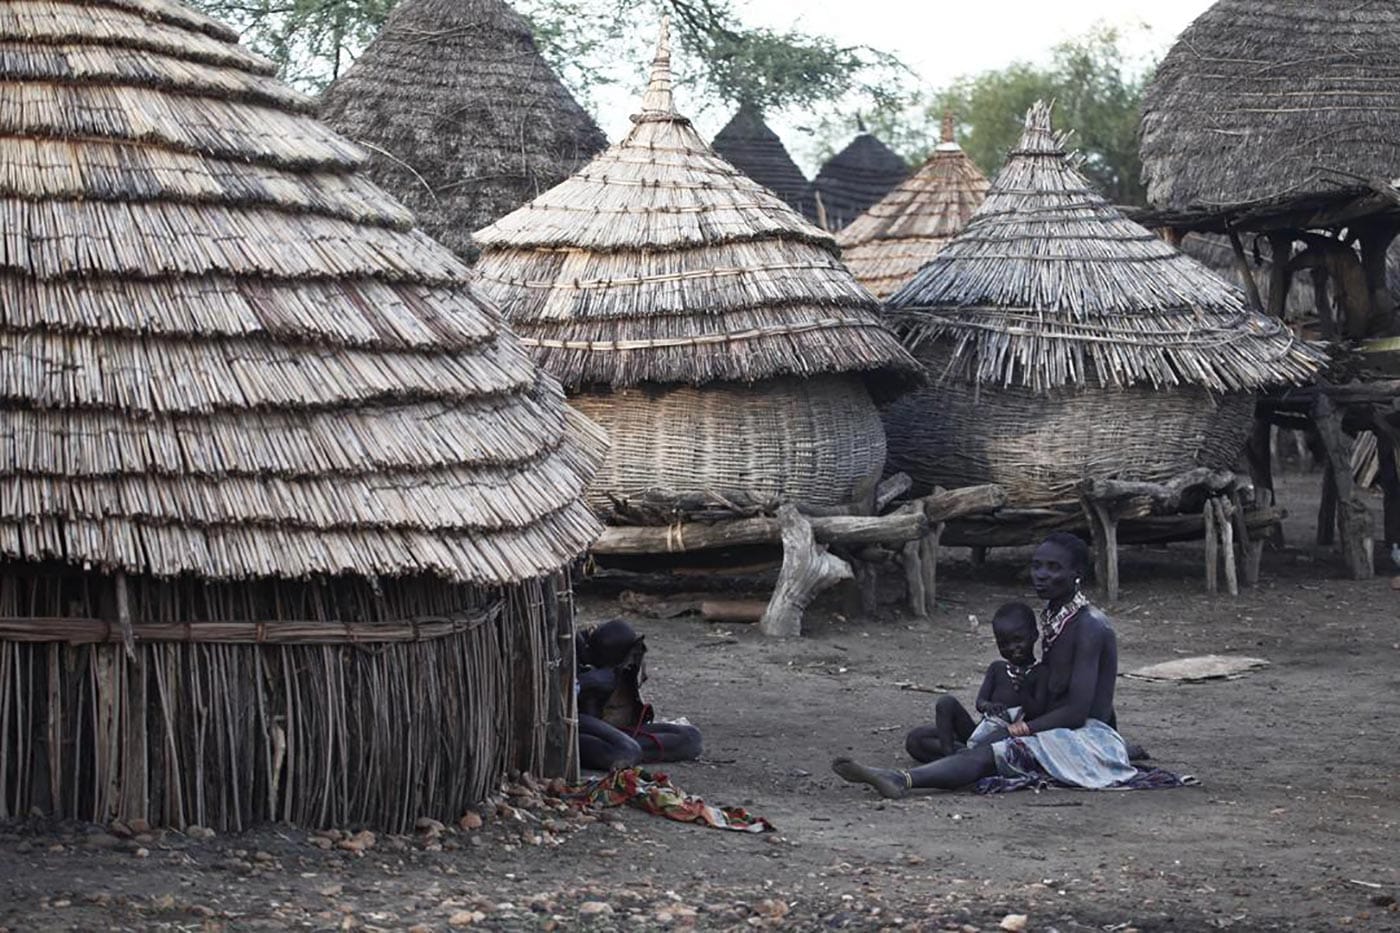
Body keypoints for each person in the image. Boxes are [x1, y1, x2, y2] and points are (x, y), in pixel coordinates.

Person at [833, 532, 1138, 797]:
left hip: (1086, 738)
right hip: (1054, 725)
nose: (1041, 575)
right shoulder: (1056, 616)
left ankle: (902, 780)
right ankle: (967, 764)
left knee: (990, 750)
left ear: (1078, 573)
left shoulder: (1090, 627)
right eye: (1037, 566)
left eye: (1053, 568)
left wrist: (1017, 729)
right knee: (921, 740)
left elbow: (1077, 712)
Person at [904, 602, 1044, 763]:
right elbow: (980, 702)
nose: (1012, 648)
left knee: (987, 751)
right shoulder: (997, 669)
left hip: (1008, 741)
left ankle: (963, 759)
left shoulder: (1040, 673)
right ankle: (951, 757)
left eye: (1018, 640)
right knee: (918, 736)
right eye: (1003, 644)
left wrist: (1024, 689)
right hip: (981, 732)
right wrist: (988, 706)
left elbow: (1037, 714)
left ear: (1034, 635)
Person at [576, 619, 703, 772]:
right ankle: (622, 748)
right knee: (626, 751)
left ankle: (625, 746)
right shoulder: (574, 655)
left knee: (691, 737)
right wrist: (585, 683)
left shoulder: (618, 667)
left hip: (610, 733)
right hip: (576, 730)